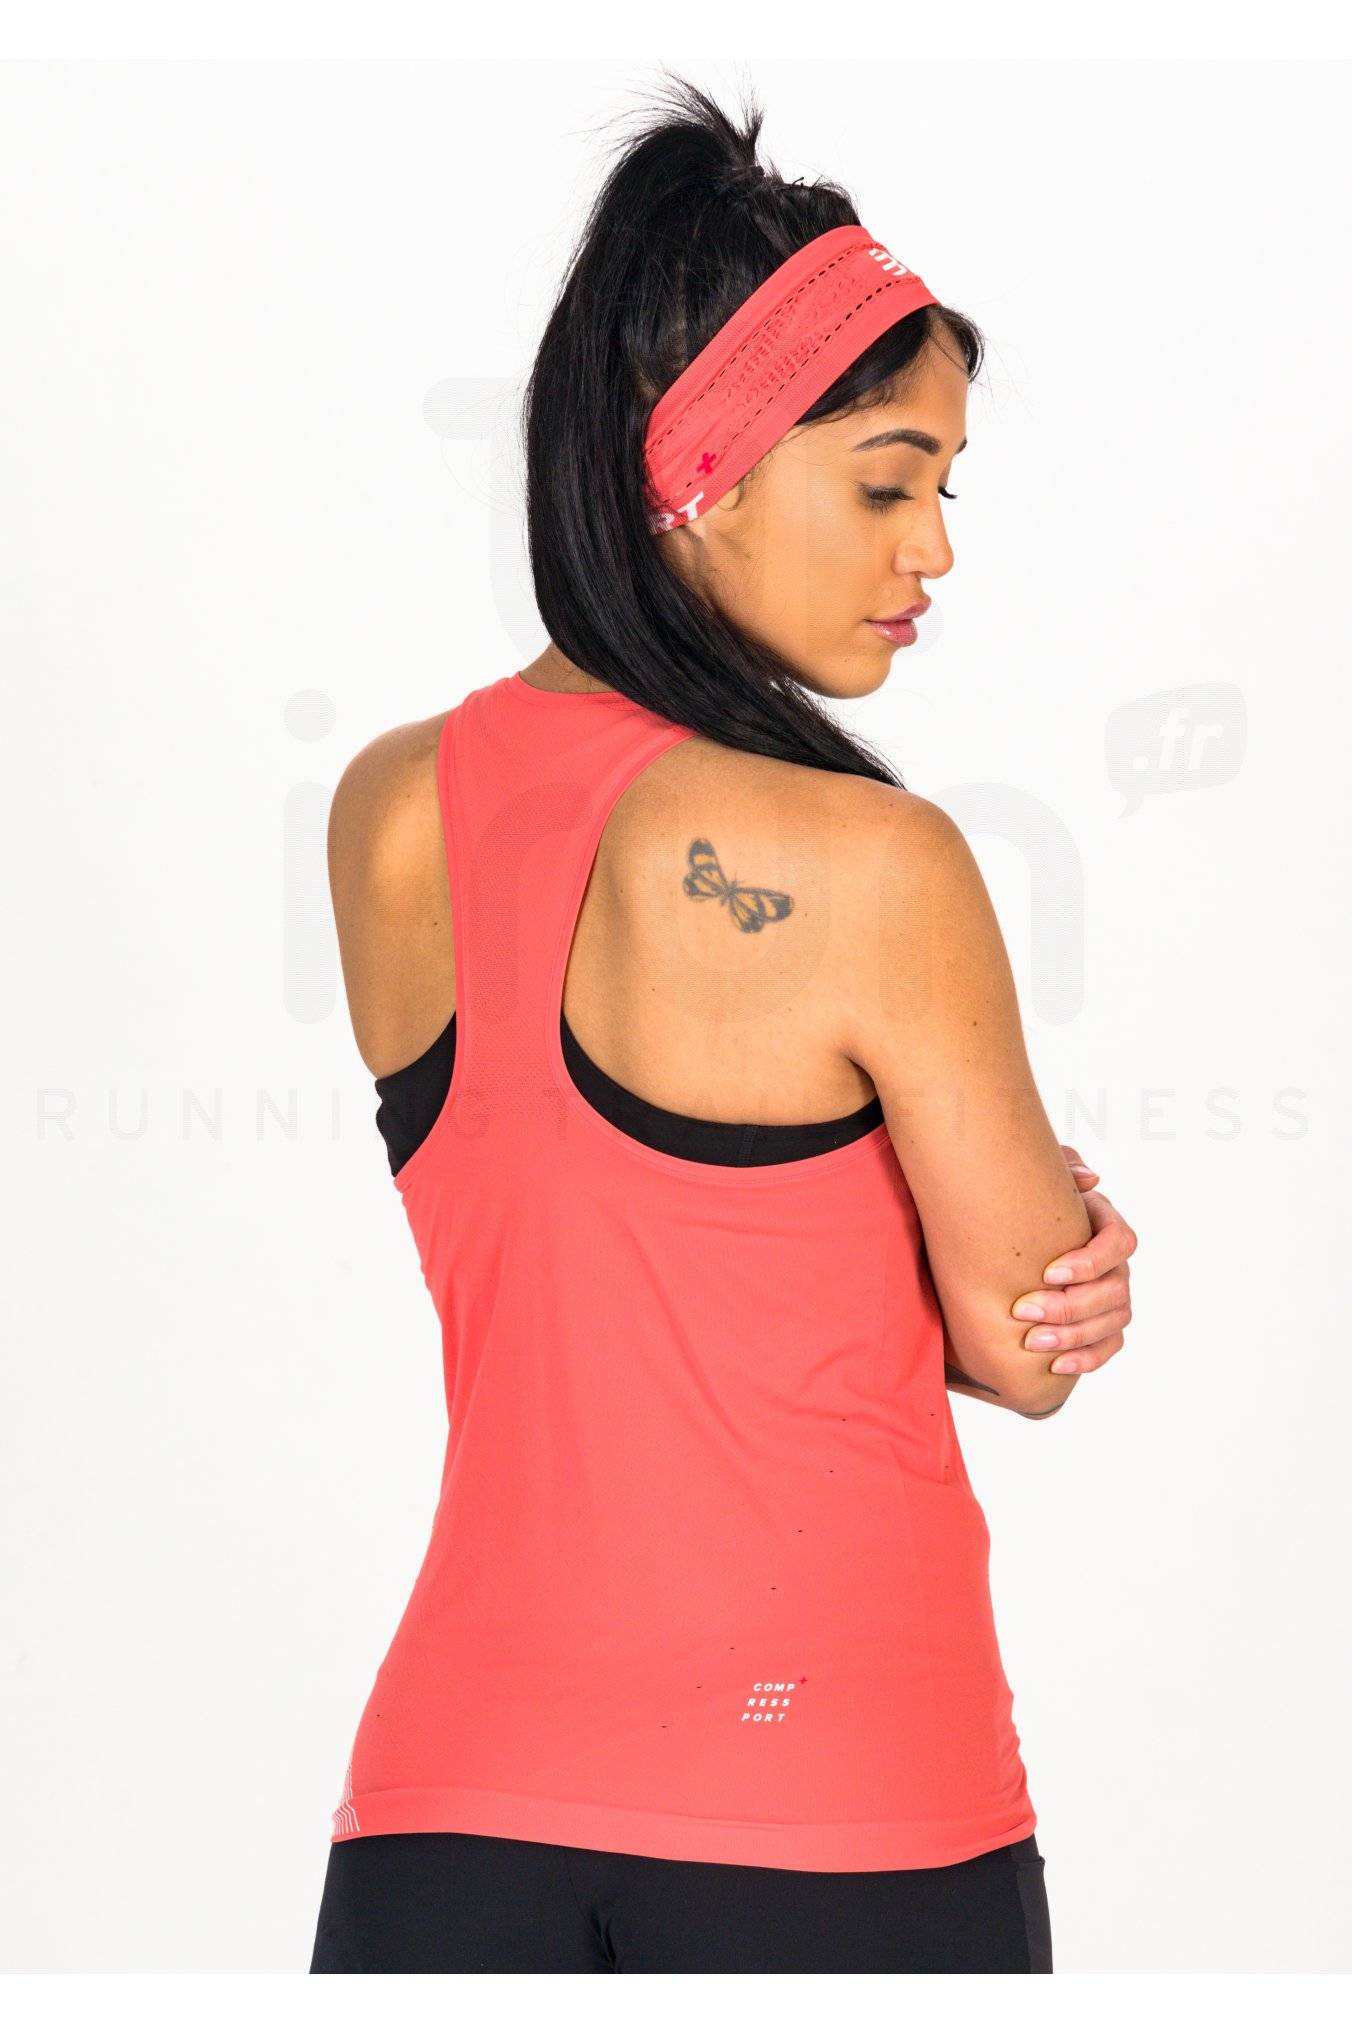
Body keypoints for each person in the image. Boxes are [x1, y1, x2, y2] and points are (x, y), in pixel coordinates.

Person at [308, 74, 1137, 1975]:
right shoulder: (876, 863)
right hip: (834, 1805)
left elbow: (595, 1247)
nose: (933, 554)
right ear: (701, 467)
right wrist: (1040, 1233)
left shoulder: (387, 813)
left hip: (447, 1821)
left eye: (943, 492)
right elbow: (1024, 1345)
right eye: (886, 483)